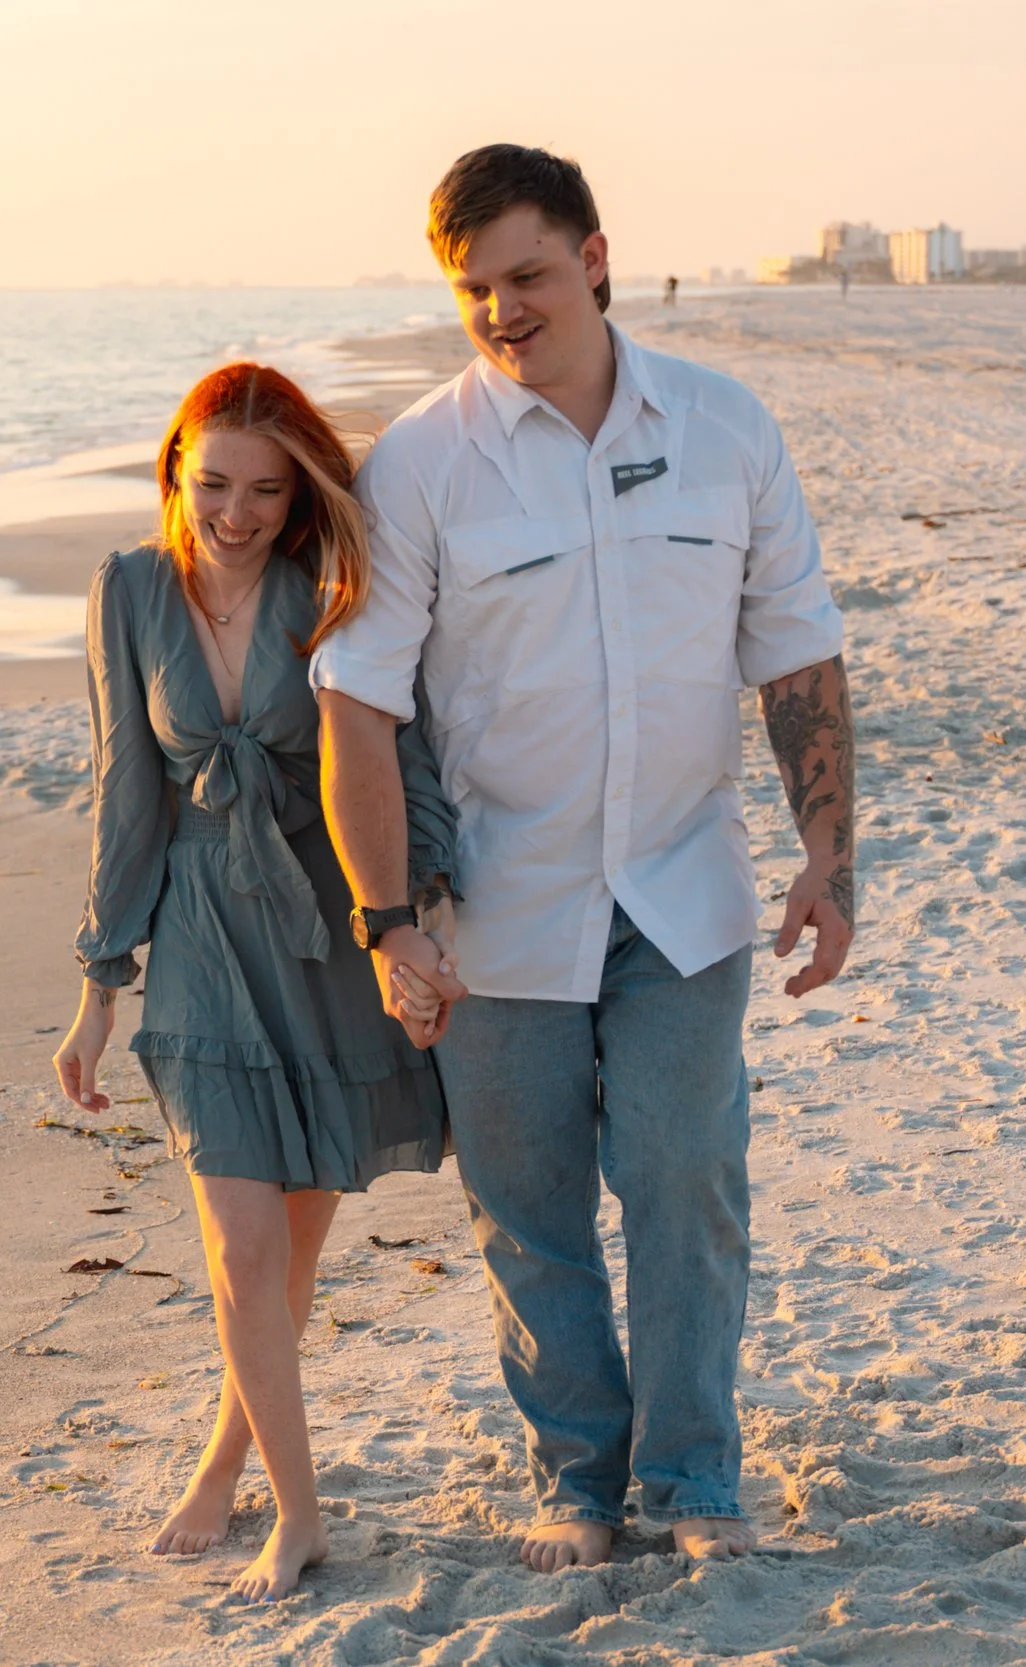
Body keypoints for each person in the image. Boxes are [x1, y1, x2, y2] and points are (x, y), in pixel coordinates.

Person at [311, 145, 855, 1573]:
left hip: (684, 888)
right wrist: (385, 922)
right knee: (527, 1208)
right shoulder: (422, 462)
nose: (501, 309)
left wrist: (829, 855)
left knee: (688, 1175)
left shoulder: (726, 426)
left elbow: (795, 642)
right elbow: (357, 700)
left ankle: (692, 1479)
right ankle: (579, 1479)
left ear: (599, 257)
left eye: (528, 275)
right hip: (497, 904)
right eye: (472, 287)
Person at [53, 362, 459, 1603]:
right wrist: (98, 977)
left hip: (326, 930)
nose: (233, 512)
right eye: (212, 481)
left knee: (285, 1257)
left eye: (265, 491)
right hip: (198, 941)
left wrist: (417, 915)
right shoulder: (128, 589)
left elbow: (405, 753)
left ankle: (223, 1461)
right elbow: (126, 782)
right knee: (237, 1252)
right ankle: (300, 1512)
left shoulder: (331, 586)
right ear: (175, 469)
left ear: (300, 496)